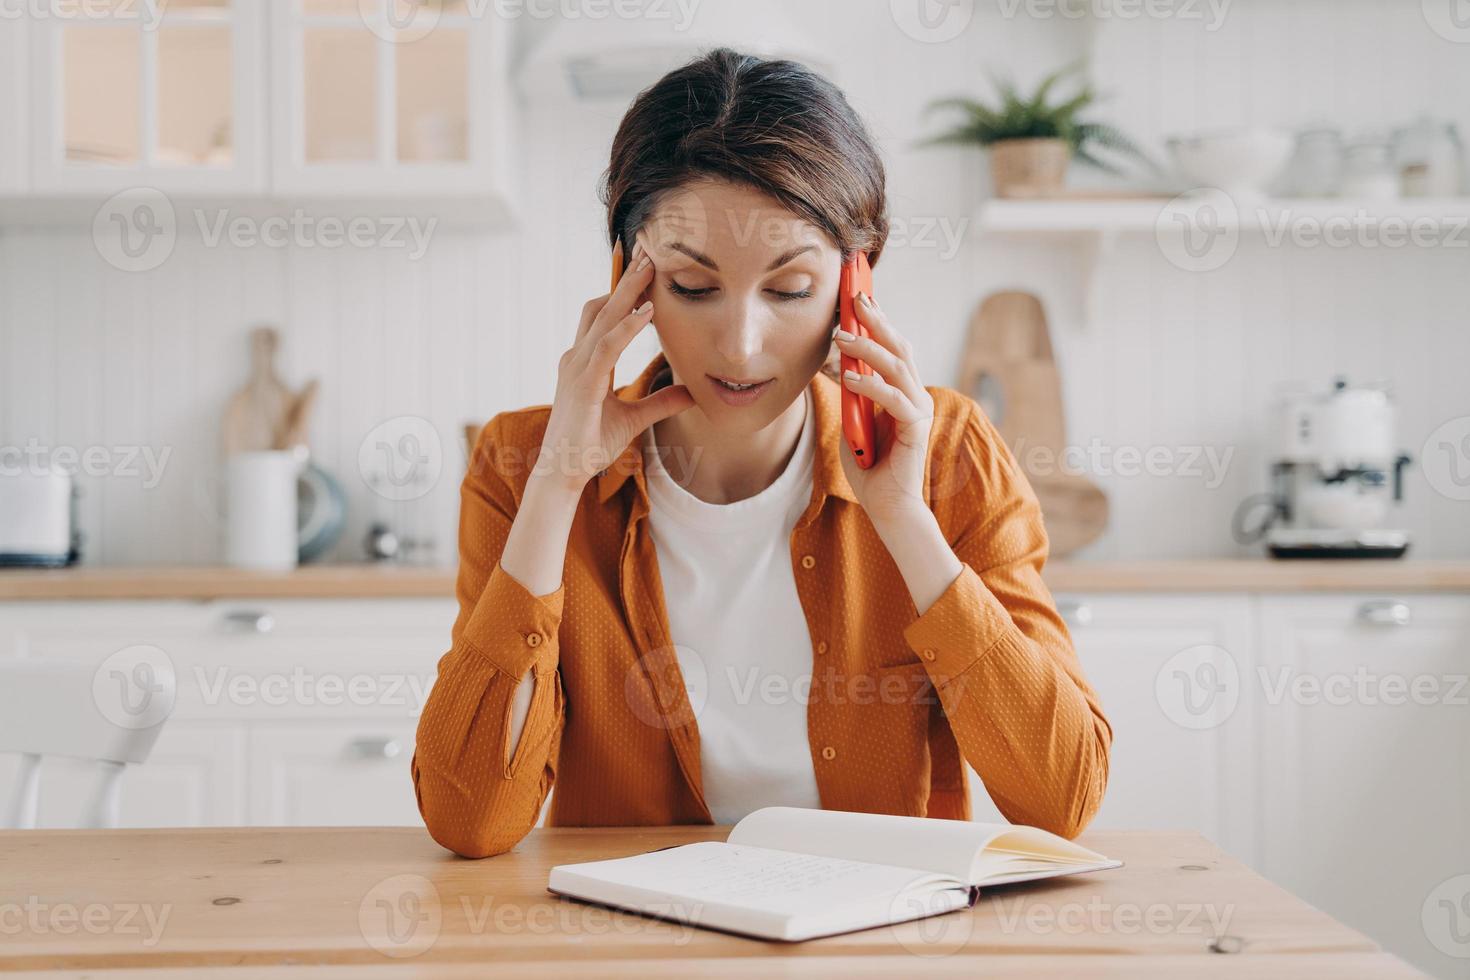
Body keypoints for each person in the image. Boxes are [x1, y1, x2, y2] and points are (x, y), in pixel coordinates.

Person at [412, 48, 1110, 859]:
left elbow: (1063, 800)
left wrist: (904, 520)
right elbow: (470, 822)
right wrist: (560, 481)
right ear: (627, 280)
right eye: (694, 288)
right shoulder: (524, 461)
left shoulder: (950, 453)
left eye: (788, 291)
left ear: (858, 281)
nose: (741, 347)